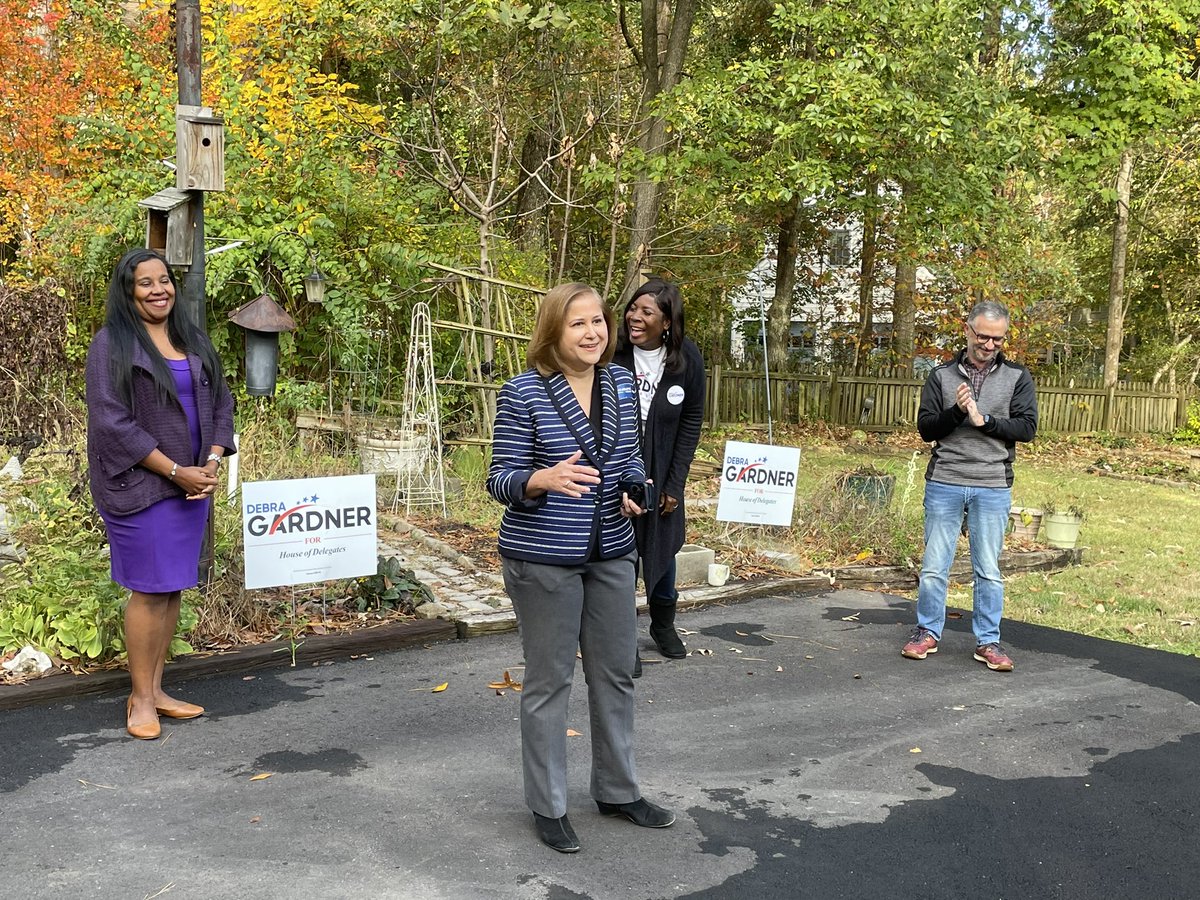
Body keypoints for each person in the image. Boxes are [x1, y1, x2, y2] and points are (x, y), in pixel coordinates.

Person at [486, 282, 675, 853]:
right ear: (553, 331)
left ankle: (617, 791)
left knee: (615, 673)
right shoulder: (523, 391)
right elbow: (500, 478)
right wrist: (539, 479)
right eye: (578, 324)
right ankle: (548, 805)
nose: (593, 333)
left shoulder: (620, 382)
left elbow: (628, 457)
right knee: (550, 681)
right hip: (543, 557)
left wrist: (635, 487)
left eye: (599, 322)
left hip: (612, 551)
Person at [86, 248, 235, 739]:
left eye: (164, 280)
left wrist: (211, 461)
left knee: (170, 587)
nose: (158, 290)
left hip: (191, 484)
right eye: (145, 282)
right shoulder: (111, 345)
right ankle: (140, 700)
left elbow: (222, 402)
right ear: (128, 292)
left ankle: (155, 689)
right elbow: (111, 421)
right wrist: (175, 471)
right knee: (149, 589)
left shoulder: (191, 338)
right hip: (141, 484)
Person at [902, 299, 1037, 672]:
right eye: (983, 336)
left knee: (988, 569)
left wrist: (985, 420)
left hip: (992, 484)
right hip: (945, 481)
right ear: (967, 330)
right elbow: (926, 428)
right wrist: (958, 412)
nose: (990, 345)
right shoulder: (941, 376)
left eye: (998, 339)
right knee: (934, 566)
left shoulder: (1018, 377)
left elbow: (1027, 428)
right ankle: (927, 632)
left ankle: (988, 641)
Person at [613, 278, 705, 671]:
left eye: (646, 311)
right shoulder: (612, 352)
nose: (634, 316)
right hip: (618, 468)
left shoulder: (686, 358)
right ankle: (621, 640)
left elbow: (691, 420)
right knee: (618, 556)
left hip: (664, 468)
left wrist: (674, 484)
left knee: (663, 551)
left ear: (666, 321)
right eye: (633, 308)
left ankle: (663, 624)